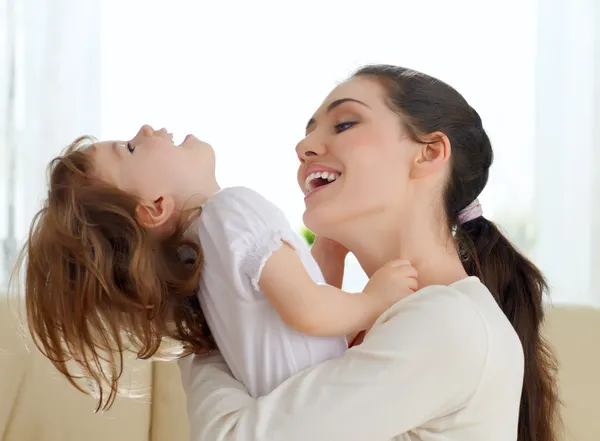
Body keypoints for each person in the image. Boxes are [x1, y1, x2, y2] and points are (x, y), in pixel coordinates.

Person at [178, 65, 560, 441]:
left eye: (344, 124)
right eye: (308, 132)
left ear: (428, 153)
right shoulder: (367, 316)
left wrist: (205, 339)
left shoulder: (450, 322)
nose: (303, 148)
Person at [15, 125, 418, 410]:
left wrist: (327, 259)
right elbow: (309, 311)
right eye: (132, 149)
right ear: (155, 207)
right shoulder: (233, 208)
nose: (146, 128)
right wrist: (373, 298)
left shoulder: (203, 254)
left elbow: (296, 333)